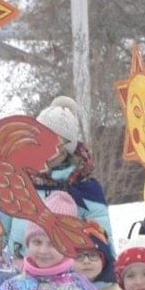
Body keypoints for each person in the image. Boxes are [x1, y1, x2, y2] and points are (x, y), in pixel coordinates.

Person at [31, 95, 114, 240]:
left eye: (55, 141)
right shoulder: (17, 182)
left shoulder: (86, 189)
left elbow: (102, 248)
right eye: (42, 140)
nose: (47, 148)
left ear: (67, 148)